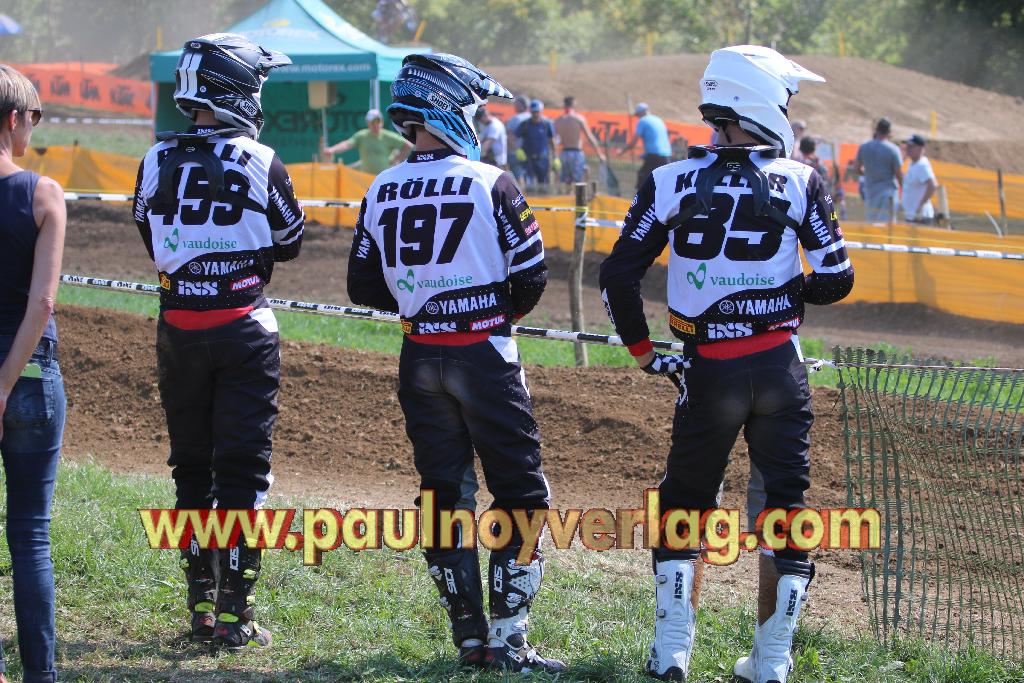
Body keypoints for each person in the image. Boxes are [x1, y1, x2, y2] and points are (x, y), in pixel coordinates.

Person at [599, 45, 854, 683]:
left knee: (685, 503)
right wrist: (781, 296)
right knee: (784, 507)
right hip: (779, 365)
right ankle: (772, 661)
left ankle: (671, 653)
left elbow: (618, 275)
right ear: (763, 102)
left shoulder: (668, 179)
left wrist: (642, 352)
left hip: (707, 368)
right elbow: (838, 279)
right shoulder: (800, 179)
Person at [347, 52, 564, 674]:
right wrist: (484, 310)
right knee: (521, 492)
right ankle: (510, 641)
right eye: (473, 107)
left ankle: (468, 639)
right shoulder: (491, 181)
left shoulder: (381, 186)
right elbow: (532, 276)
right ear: (450, 108)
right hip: (484, 353)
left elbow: (362, 285)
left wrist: (424, 301)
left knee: (444, 494)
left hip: (419, 354)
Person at [132, 34, 305, 650]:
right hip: (242, 327)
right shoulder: (262, 158)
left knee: (191, 469)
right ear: (236, 89)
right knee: (243, 471)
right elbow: (290, 240)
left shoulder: (155, 158)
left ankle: (201, 608)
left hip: (177, 326)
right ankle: (236, 614)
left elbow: (147, 233)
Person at [0, 63, 66, 683]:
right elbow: (42, 303)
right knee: (30, 534)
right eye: (34, 120)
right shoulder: (42, 194)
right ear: (15, 119)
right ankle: (39, 676)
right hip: (29, 377)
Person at [324, 108, 413, 176]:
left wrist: (397, 160)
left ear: (382, 122)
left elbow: (408, 145)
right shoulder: (361, 136)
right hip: (365, 178)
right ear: (367, 123)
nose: (376, 124)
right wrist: (332, 150)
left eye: (378, 121)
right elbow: (347, 144)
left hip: (383, 177)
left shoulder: (388, 136)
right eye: (373, 122)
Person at [855, 117, 902, 222]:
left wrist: (868, 173)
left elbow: (856, 169)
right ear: (889, 131)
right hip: (888, 193)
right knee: (887, 226)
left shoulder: (864, 147)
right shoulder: (893, 149)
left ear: (876, 130)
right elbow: (898, 174)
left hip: (870, 192)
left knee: (871, 224)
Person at [554, 95, 606, 191]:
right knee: (579, 182)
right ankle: (579, 198)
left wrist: (555, 156)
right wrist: (600, 154)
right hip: (576, 153)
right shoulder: (579, 119)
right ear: (574, 105)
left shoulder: (558, 121)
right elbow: (590, 137)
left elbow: (553, 140)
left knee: (566, 182)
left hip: (564, 153)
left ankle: (567, 197)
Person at [619, 102, 672, 189]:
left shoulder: (643, 121)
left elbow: (633, 143)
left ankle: (640, 197)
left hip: (654, 155)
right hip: (667, 155)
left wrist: (622, 151)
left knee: (643, 179)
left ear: (641, 112)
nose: (638, 117)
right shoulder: (658, 120)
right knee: (662, 182)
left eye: (638, 115)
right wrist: (644, 155)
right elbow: (658, 140)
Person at [513, 99, 557, 192]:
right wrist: (518, 150)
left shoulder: (547, 124)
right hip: (528, 160)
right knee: (529, 186)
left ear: (541, 111)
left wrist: (555, 157)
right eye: (533, 112)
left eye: (537, 112)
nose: (535, 114)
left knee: (544, 185)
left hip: (543, 160)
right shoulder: (525, 124)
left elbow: (552, 141)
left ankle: (545, 200)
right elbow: (513, 137)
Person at [901, 134, 937, 224]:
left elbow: (932, 185)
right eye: (908, 147)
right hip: (911, 214)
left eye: (911, 147)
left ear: (920, 148)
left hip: (920, 216)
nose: (908, 149)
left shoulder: (922, 165)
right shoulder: (912, 163)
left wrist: (921, 204)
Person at [506, 95, 531, 183]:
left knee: (518, 177)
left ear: (521, 105)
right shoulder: (531, 117)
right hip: (530, 153)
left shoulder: (514, 119)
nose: (515, 106)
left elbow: (509, 137)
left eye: (516, 104)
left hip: (515, 153)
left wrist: (517, 150)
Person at [474, 105, 507, 169]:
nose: (480, 122)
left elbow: (487, 143)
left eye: (480, 119)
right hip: (491, 159)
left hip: (497, 161)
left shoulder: (495, 125)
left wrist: (475, 157)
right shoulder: (487, 124)